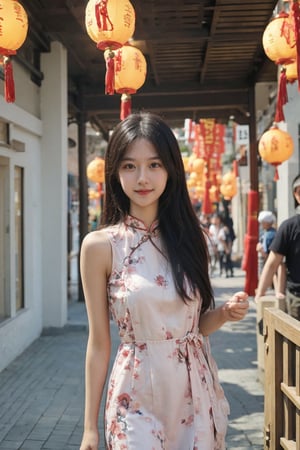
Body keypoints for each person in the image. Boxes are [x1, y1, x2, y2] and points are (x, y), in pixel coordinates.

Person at [79, 112, 249, 450]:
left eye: (154, 164)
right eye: (130, 166)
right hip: (135, 394)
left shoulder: (193, 239)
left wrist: (226, 314)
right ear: (115, 173)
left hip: (193, 391)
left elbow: (197, 325)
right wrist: (89, 428)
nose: (143, 177)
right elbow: (98, 343)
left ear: (171, 169)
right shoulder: (100, 246)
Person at [255, 174, 300, 319]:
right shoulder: (289, 227)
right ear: (296, 195)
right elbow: (272, 264)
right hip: (297, 299)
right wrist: (260, 294)